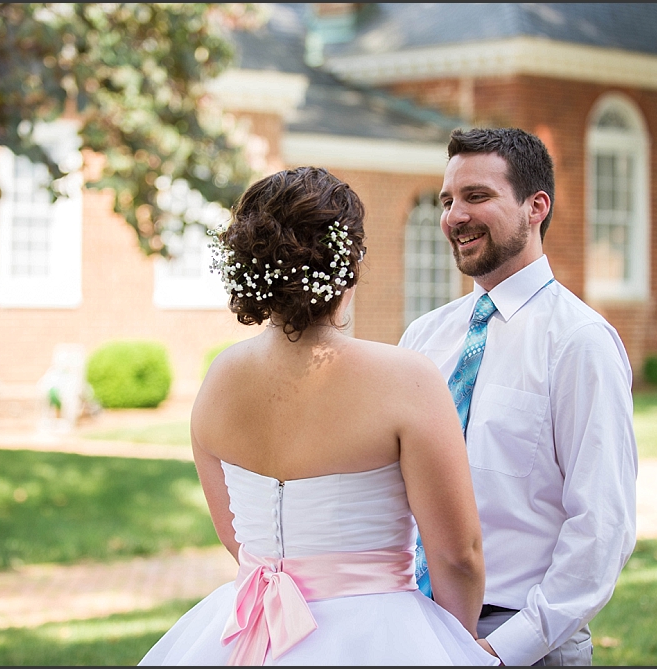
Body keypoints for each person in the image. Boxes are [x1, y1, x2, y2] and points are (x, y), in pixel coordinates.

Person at [139, 167, 499, 666]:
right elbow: (458, 555)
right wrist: (448, 646)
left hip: (251, 633)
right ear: (348, 266)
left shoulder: (219, 377)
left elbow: (237, 538)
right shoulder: (406, 379)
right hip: (378, 634)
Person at [399, 127, 638, 666]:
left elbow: (602, 524)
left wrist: (507, 649)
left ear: (536, 206)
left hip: (523, 639)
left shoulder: (579, 342)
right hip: (414, 627)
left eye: (476, 196)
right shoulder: (422, 339)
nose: (454, 216)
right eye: (447, 200)